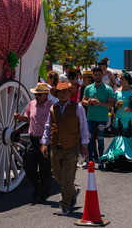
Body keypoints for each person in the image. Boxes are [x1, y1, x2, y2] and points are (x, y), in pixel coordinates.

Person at [40, 82, 89, 216]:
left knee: (67, 177)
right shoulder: (53, 108)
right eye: (60, 92)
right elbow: (48, 127)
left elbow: (84, 127)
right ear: (57, 94)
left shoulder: (77, 108)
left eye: (65, 91)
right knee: (56, 175)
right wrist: (44, 142)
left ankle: (65, 204)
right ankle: (73, 191)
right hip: (55, 147)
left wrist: (84, 145)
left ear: (69, 93)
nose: (62, 94)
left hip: (71, 147)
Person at [100, 70, 132, 169]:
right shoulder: (117, 91)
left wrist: (131, 108)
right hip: (119, 117)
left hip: (131, 118)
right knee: (120, 137)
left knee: (129, 136)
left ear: (126, 80)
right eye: (119, 78)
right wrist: (116, 105)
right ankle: (120, 157)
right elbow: (114, 103)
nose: (119, 80)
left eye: (121, 78)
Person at [14, 83, 53, 204]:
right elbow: (28, 118)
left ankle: (43, 193)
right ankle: (38, 186)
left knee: (44, 168)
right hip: (32, 139)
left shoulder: (52, 106)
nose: (37, 96)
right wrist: (20, 117)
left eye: (39, 94)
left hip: (45, 140)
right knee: (27, 165)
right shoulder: (31, 104)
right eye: (36, 94)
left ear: (46, 94)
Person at [82, 67, 115, 169]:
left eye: (99, 75)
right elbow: (83, 101)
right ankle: (90, 160)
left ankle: (101, 160)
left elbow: (111, 103)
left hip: (102, 118)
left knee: (100, 139)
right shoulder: (88, 88)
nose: (97, 77)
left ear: (102, 76)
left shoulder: (108, 89)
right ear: (93, 76)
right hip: (90, 119)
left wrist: (99, 103)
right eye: (95, 75)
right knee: (90, 139)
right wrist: (88, 102)